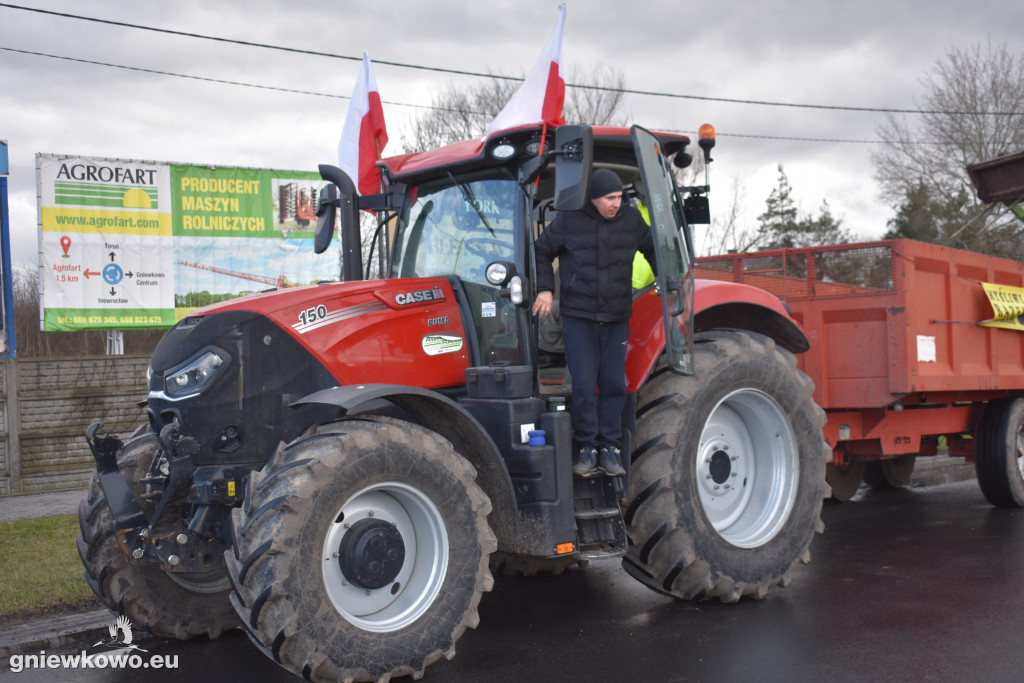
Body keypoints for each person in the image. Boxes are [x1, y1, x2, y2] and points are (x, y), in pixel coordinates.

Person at [532, 169, 657, 477]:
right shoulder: (570, 221)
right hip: (579, 317)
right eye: (610, 199)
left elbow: (654, 250)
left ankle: (610, 448)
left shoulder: (630, 221)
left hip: (616, 317)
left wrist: (668, 282)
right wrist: (545, 289)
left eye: (619, 197)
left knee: (614, 383)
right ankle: (587, 448)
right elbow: (542, 250)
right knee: (585, 385)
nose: (617, 203)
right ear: (593, 199)